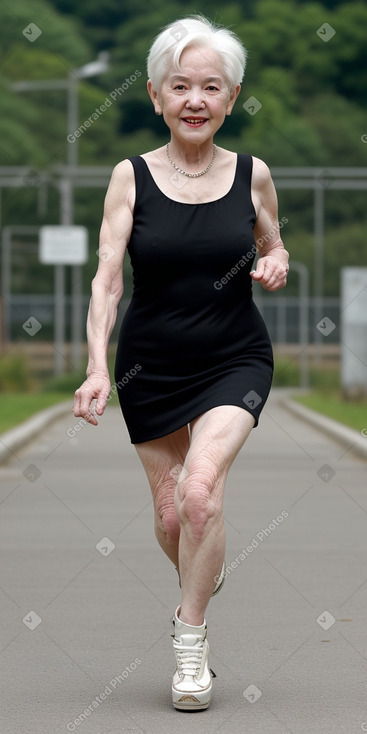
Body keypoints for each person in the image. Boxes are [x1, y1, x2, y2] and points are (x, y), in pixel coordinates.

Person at [73, 14, 289, 712]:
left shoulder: (252, 174)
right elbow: (108, 278)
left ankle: (189, 642)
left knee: (200, 492)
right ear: (156, 96)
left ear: (229, 100)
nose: (195, 99)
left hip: (235, 357)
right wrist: (97, 368)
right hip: (150, 365)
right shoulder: (128, 177)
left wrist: (275, 262)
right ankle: (203, 560)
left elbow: (273, 242)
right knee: (173, 518)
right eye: (180, 86)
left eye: (211, 87)